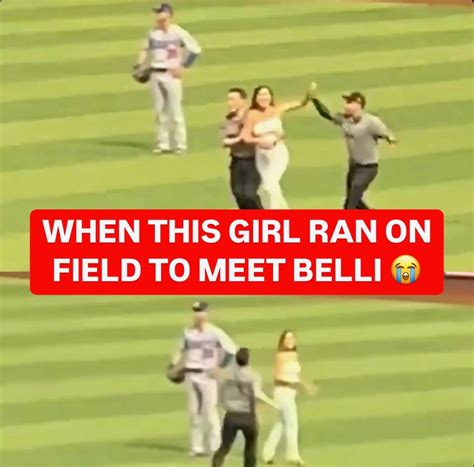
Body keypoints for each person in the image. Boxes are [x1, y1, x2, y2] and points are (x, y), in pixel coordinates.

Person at [308, 83, 397, 209]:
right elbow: (326, 114)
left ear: (358, 104)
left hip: (368, 169)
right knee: (356, 201)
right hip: (354, 168)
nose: (346, 105)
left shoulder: (371, 121)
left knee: (350, 203)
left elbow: (385, 132)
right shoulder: (345, 120)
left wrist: (390, 138)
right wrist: (315, 100)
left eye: (349, 102)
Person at [170, 301, 237, 457]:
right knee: (194, 412)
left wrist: (220, 367)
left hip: (208, 376)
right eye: (195, 311)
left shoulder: (215, 332)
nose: (198, 314)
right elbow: (180, 350)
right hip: (191, 374)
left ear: (206, 313)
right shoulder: (187, 332)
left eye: (200, 311)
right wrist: (173, 365)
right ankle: (196, 447)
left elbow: (232, 350)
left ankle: (216, 446)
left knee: (210, 411)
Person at [135, 3, 201, 155]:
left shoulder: (178, 32)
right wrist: (138, 65)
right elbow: (145, 49)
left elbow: (195, 50)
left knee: (176, 111)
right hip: (155, 73)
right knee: (160, 111)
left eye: (159, 12)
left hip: (172, 75)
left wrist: (183, 66)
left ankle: (181, 145)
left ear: (168, 15)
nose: (156, 16)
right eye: (156, 13)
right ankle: (162, 144)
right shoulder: (153, 32)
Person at [240, 85, 309, 209]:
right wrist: (260, 141)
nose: (263, 98)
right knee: (269, 187)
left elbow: (297, 104)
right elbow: (245, 137)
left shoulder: (277, 109)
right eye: (260, 95)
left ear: (271, 97)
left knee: (271, 186)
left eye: (266, 94)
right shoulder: (251, 114)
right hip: (262, 156)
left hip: (278, 153)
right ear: (255, 98)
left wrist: (306, 99)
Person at [212, 348, 278, 467]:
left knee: (224, 447)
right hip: (248, 417)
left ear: (236, 359)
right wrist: (272, 403)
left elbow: (220, 392)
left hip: (231, 415)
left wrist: (224, 404)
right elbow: (257, 393)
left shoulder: (227, 375)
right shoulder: (254, 376)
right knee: (250, 449)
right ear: (249, 360)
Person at [262, 330, 317, 466]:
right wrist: (292, 383)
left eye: (292, 338)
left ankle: (267, 453)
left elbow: (297, 375)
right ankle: (292, 455)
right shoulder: (281, 356)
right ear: (282, 341)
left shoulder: (294, 355)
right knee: (292, 423)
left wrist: (307, 386)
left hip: (291, 393)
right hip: (282, 392)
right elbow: (278, 376)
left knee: (280, 424)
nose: (290, 340)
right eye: (287, 338)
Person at [220, 88, 263, 209]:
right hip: (237, 160)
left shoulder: (252, 115)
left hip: (253, 160)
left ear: (242, 100)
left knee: (249, 194)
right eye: (229, 99)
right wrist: (240, 138)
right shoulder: (228, 119)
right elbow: (225, 141)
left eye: (233, 99)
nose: (230, 102)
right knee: (238, 193)